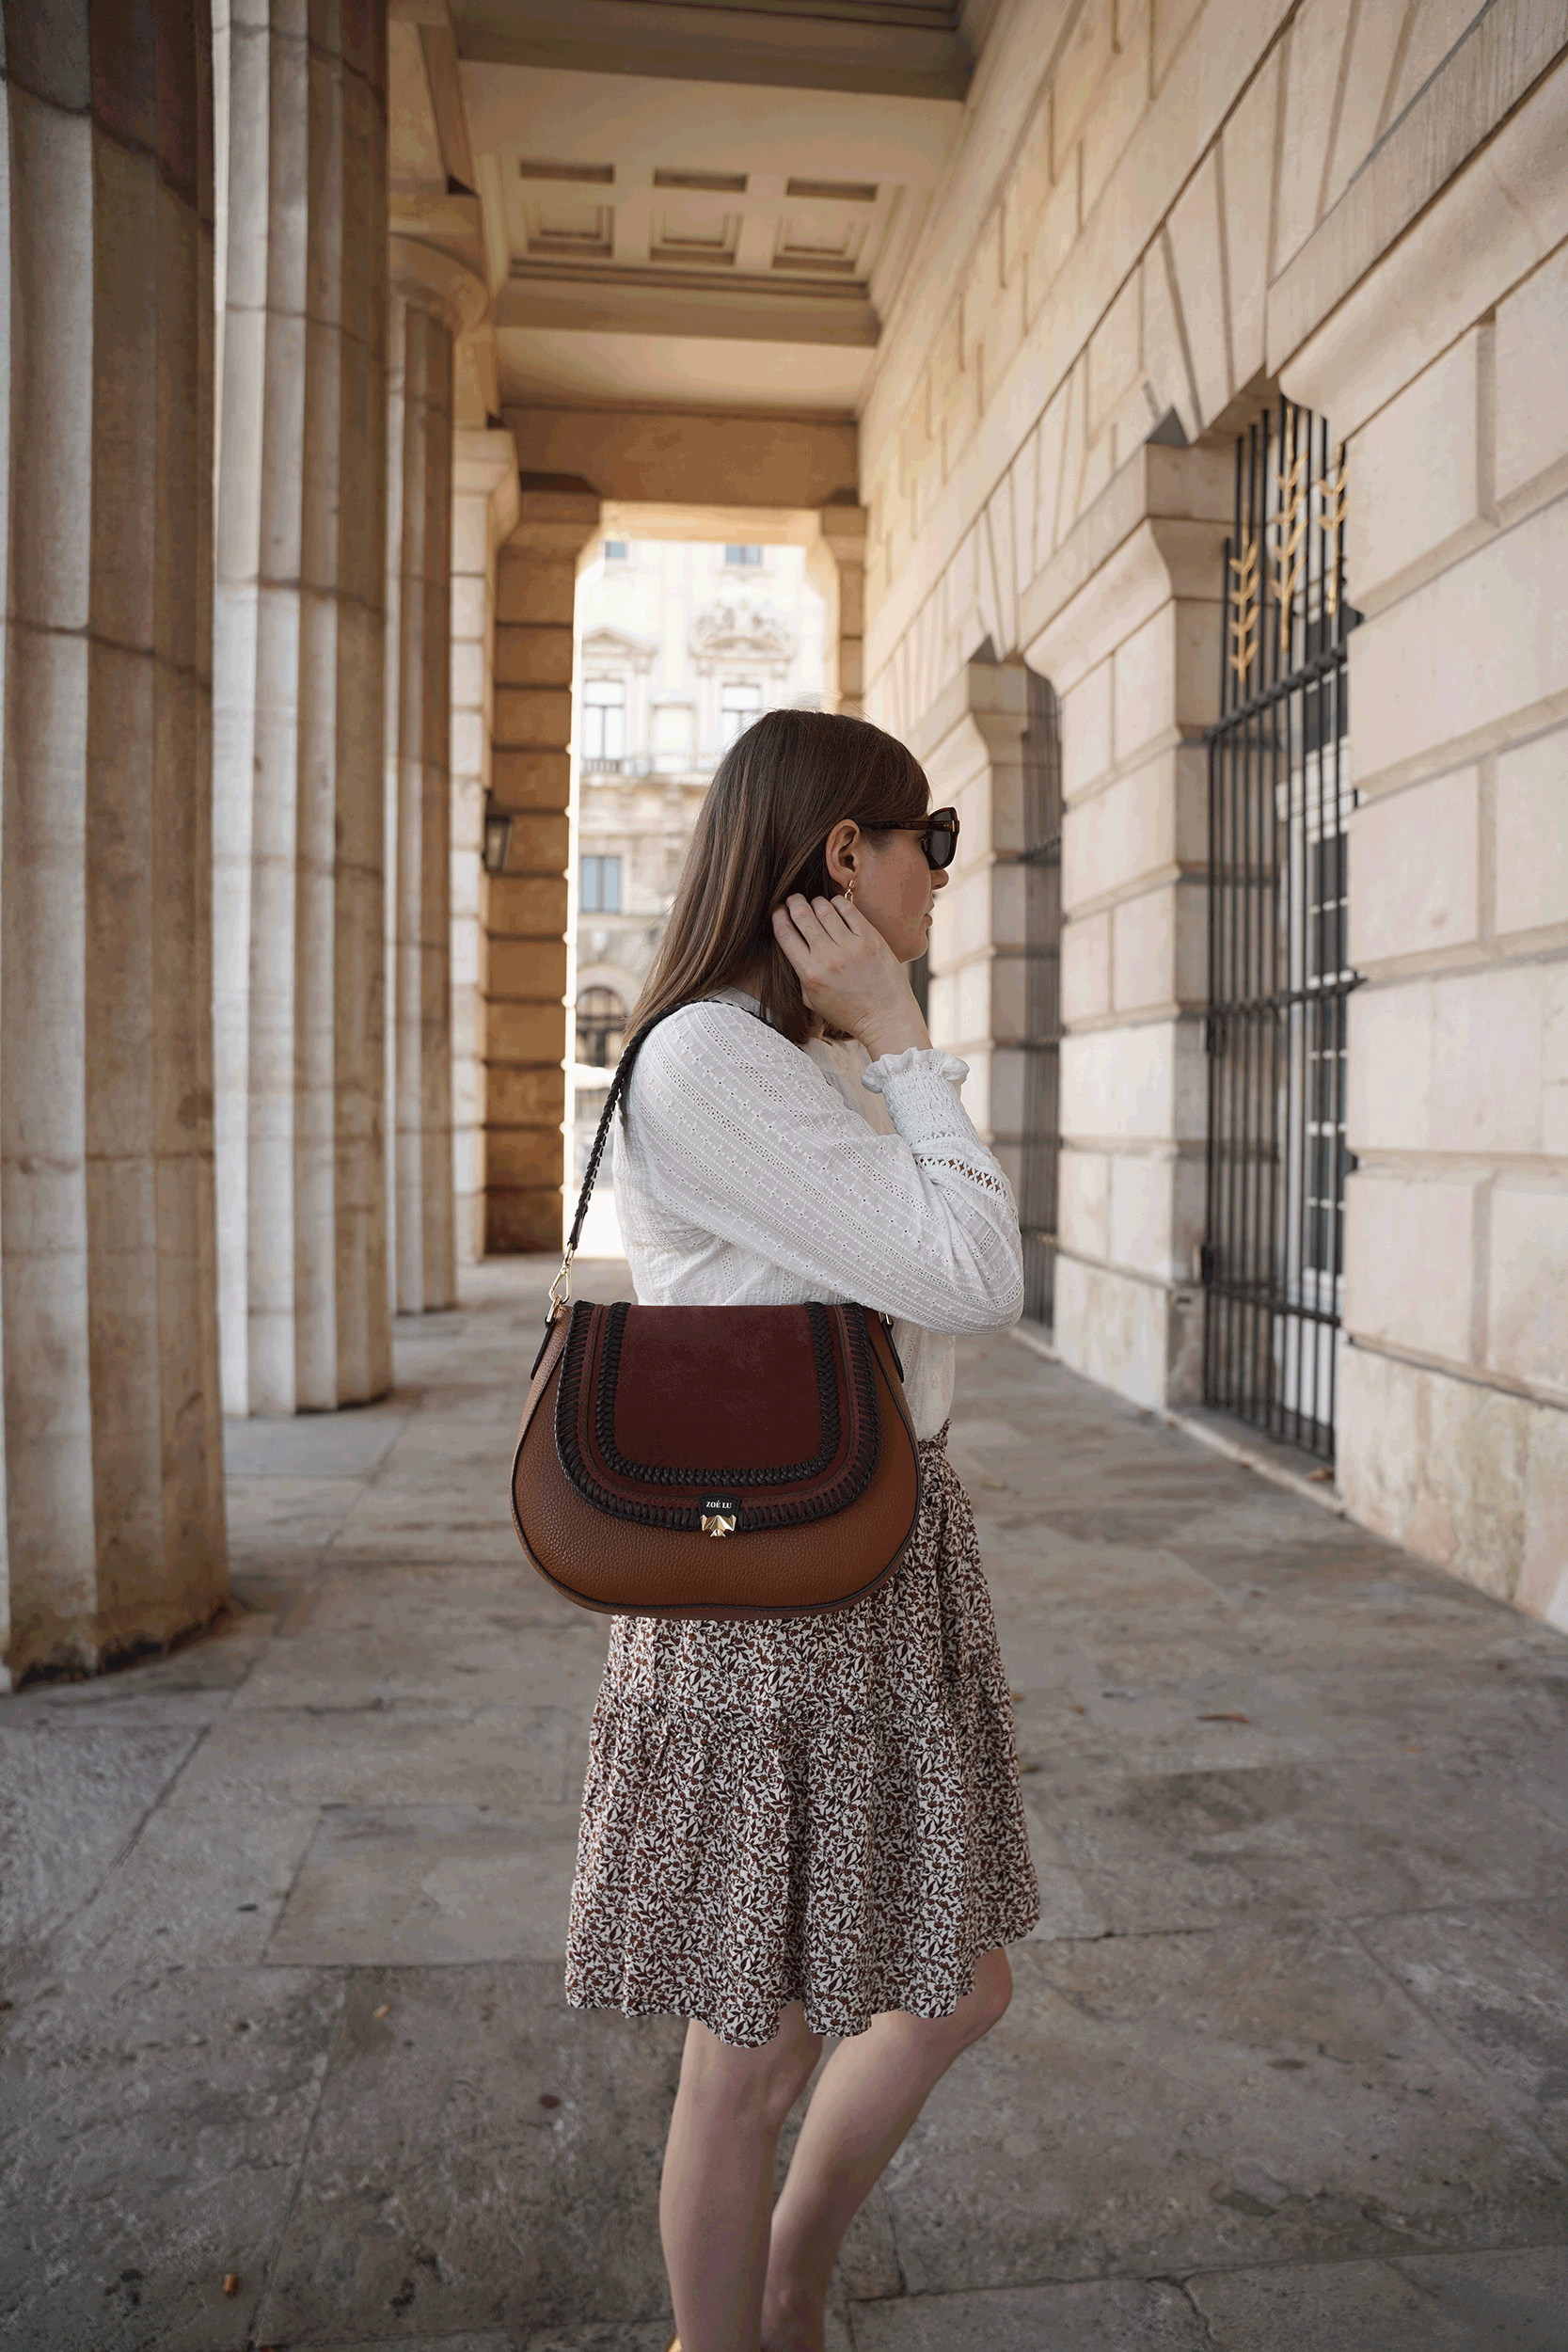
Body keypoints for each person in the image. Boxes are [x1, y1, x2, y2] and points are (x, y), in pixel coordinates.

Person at [563, 708, 1040, 2352]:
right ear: (844, 853)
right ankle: (737, 2331)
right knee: (747, 2046)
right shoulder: (711, 1062)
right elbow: (977, 1274)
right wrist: (907, 1037)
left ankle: (784, 2289)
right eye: (934, 842)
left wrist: (881, 1042)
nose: (941, 878)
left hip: (872, 1570)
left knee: (946, 1981)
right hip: (774, 1586)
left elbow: (932, 1280)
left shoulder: (803, 1058)